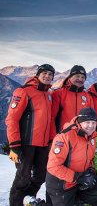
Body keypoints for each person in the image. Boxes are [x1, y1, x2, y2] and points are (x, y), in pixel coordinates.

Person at [6, 64, 55, 206]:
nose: (47, 76)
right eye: (44, 73)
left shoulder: (48, 94)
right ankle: (16, 203)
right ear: (37, 75)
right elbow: (12, 119)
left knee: (41, 176)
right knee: (23, 178)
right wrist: (14, 145)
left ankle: (28, 200)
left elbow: (49, 120)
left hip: (42, 145)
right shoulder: (23, 91)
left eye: (50, 74)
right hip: (25, 144)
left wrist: (51, 140)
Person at [46, 108, 97, 205]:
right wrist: (78, 177)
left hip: (78, 182)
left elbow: (90, 159)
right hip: (62, 185)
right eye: (87, 122)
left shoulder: (92, 136)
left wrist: (90, 171)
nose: (91, 126)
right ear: (80, 122)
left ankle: (77, 202)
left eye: (93, 122)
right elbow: (53, 167)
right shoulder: (65, 136)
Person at [51, 65, 94, 136]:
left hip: (82, 137)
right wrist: (52, 138)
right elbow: (52, 117)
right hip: (63, 136)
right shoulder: (58, 93)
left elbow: (92, 119)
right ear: (70, 77)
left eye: (83, 77)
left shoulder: (88, 96)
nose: (80, 79)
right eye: (77, 76)